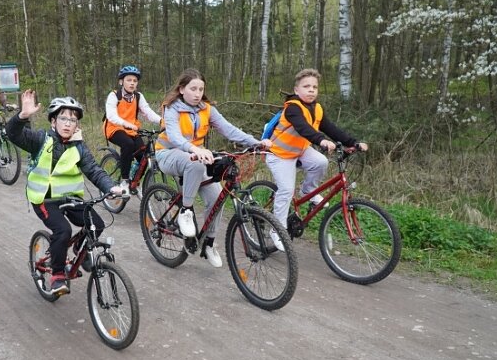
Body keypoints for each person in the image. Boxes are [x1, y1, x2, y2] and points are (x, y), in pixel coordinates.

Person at [7, 90, 125, 295]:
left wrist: (110, 187)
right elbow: (14, 134)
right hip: (44, 199)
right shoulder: (40, 140)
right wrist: (22, 116)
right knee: (63, 231)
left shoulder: (79, 147)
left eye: (73, 120)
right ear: (53, 121)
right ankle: (57, 275)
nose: (68, 123)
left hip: (70, 198)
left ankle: (81, 250)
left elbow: (94, 170)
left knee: (96, 224)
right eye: (63, 118)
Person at [154, 68, 273, 268]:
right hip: (168, 154)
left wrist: (256, 143)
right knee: (195, 163)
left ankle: (208, 243)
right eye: (193, 88)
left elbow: (229, 129)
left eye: (201, 89)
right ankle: (186, 211)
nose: (197, 93)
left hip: (195, 156)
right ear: (182, 89)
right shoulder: (172, 108)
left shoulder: (206, 108)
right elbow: (174, 136)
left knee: (216, 198)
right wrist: (194, 149)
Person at [265, 68, 368, 249]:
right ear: (297, 90)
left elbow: (331, 129)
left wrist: (354, 142)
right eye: (306, 86)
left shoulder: (317, 108)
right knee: (287, 190)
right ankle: (276, 229)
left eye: (314, 87)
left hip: (299, 151)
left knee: (321, 162)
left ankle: (307, 191)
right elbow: (303, 128)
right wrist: (321, 140)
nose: (311, 90)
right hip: (279, 154)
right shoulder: (293, 108)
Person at [102, 65, 161, 191]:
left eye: (135, 81)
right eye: (129, 80)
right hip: (114, 128)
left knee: (144, 156)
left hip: (132, 130)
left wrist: (162, 121)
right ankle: (124, 180)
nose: (132, 83)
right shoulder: (114, 96)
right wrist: (127, 124)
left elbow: (148, 112)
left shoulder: (138, 96)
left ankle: (134, 181)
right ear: (121, 82)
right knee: (128, 144)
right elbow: (111, 116)